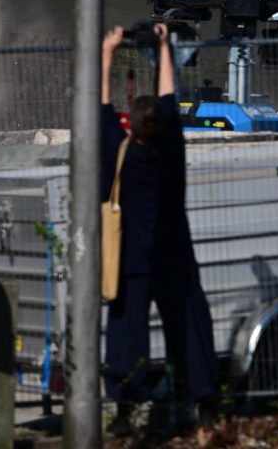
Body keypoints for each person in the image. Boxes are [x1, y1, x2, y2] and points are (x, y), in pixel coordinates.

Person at [99, 24, 218, 435]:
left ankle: (128, 406)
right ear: (164, 126)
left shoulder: (121, 150)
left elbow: (100, 109)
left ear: (131, 125)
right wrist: (165, 45)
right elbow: (170, 97)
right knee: (188, 325)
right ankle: (201, 399)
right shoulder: (172, 146)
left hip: (131, 256)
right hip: (174, 252)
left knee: (127, 332)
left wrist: (108, 51)